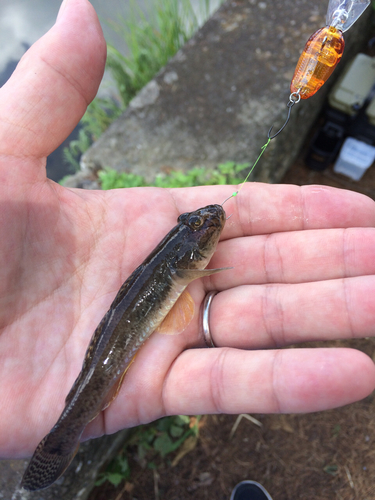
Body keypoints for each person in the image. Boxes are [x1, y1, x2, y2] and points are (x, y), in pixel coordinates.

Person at [1, 1, 375, 497]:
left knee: (89, 390)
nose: (209, 226)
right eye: (199, 231)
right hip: (100, 363)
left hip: (109, 346)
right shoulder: (182, 266)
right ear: (190, 264)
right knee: (88, 393)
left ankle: (56, 449)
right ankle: (57, 448)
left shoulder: (182, 263)